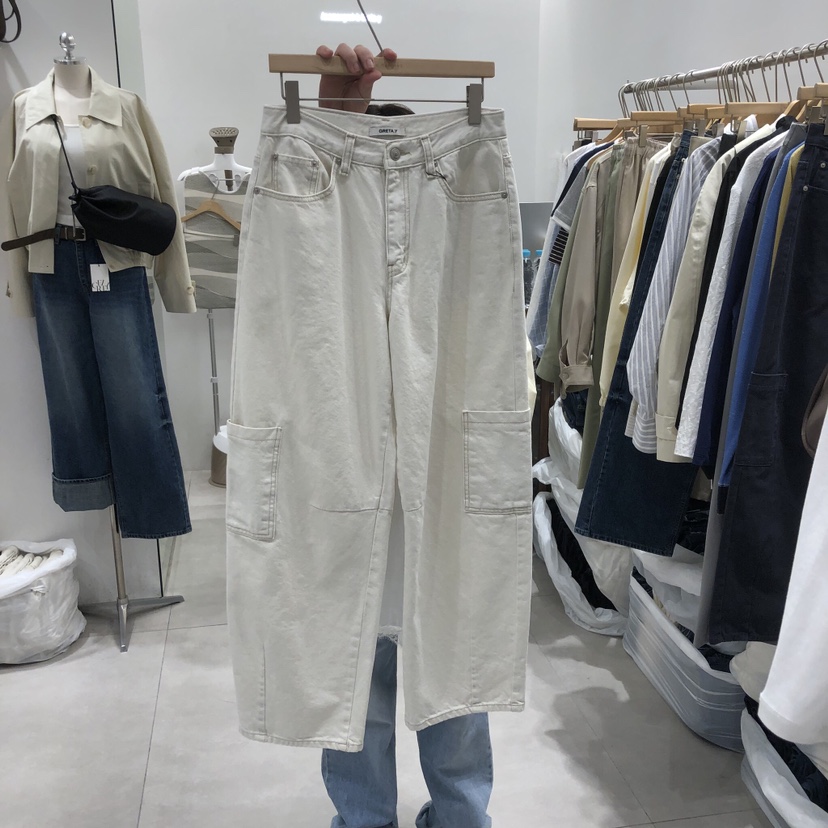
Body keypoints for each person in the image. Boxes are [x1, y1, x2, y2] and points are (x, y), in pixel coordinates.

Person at [313, 42, 495, 828]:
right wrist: (332, 122)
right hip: (360, 536)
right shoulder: (324, 265)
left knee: (448, 695)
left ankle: (447, 820)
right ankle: (405, 820)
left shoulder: (461, 268)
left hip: (432, 536)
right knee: (363, 699)